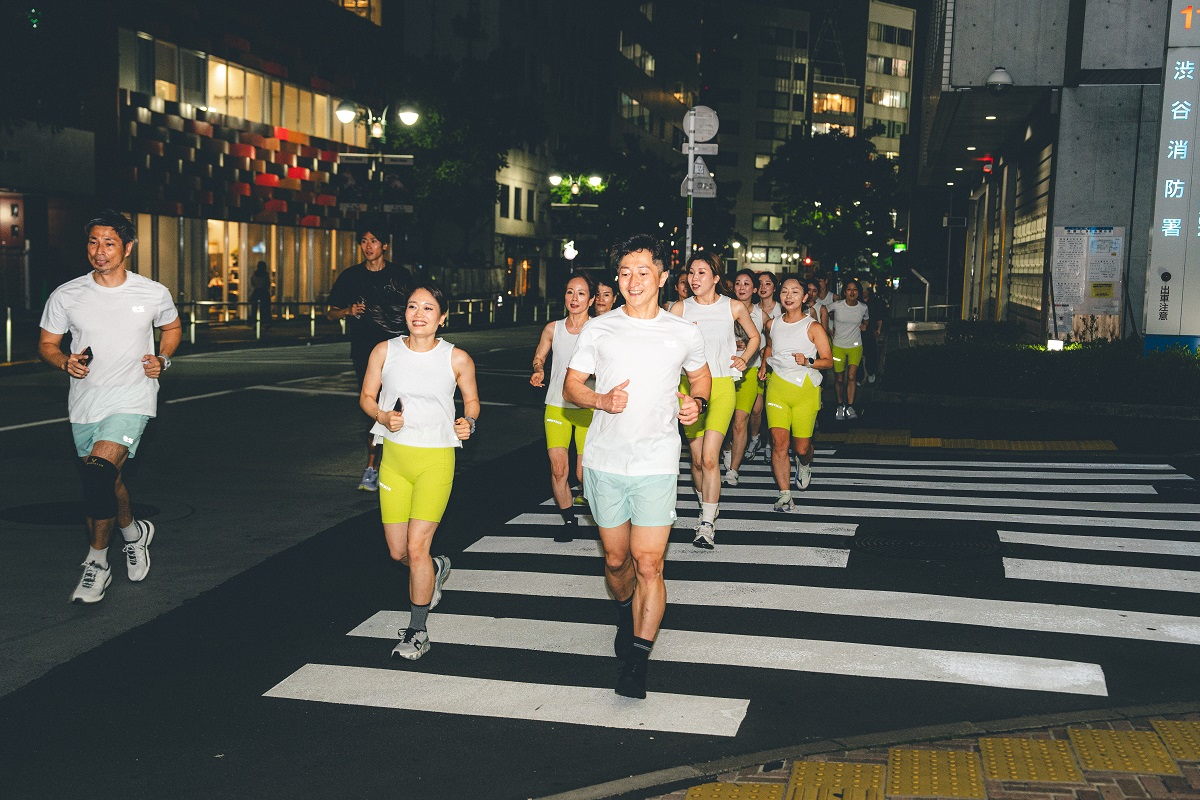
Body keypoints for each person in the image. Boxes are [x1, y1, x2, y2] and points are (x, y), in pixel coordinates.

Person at [563, 233, 710, 700]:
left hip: (657, 462)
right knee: (616, 560)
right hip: (605, 461)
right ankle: (625, 612)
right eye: (625, 272)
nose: (633, 280)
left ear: (662, 277)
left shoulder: (683, 332)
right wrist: (601, 400)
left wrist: (698, 404)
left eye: (643, 271)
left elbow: (701, 377)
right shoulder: (600, 328)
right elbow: (571, 386)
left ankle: (637, 663)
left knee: (649, 564)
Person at [38, 210, 182, 604]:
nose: (99, 251)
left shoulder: (152, 292)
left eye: (109, 243)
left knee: (99, 475)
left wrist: (163, 359)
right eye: (93, 242)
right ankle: (134, 532)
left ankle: (97, 564)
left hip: (133, 399)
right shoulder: (67, 295)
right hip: (86, 404)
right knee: (104, 481)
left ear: (128, 248)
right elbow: (48, 344)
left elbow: (171, 328)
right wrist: (64, 361)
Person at [359, 282, 479, 661]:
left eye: (429, 308)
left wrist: (469, 422)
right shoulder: (385, 351)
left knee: (416, 547)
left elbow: (472, 402)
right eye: (413, 306)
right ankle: (435, 568)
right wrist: (382, 416)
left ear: (442, 318)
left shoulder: (457, 358)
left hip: (436, 460)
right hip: (395, 461)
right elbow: (366, 397)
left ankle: (417, 630)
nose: (419, 314)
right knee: (398, 552)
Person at [669, 252, 758, 549]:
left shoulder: (732, 306)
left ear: (716, 278)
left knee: (710, 457)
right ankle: (707, 504)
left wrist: (744, 358)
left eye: (702, 272)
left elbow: (755, 337)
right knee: (696, 461)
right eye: (691, 272)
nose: (694, 278)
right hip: (689, 389)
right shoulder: (679, 308)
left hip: (721, 387)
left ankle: (707, 523)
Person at [327, 220, 412, 491]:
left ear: (384, 245)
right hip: (365, 352)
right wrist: (347, 311)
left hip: (398, 352)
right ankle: (372, 467)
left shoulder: (401, 276)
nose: (368, 246)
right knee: (373, 408)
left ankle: (397, 464)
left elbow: (417, 308)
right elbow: (330, 313)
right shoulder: (351, 276)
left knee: (400, 407)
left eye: (373, 241)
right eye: (364, 241)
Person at [530, 272, 596, 542]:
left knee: (582, 473)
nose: (574, 298)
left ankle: (603, 514)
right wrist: (538, 370)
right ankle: (569, 521)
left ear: (591, 300)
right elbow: (539, 357)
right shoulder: (553, 329)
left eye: (581, 293)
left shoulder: (598, 329)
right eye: (570, 292)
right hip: (556, 405)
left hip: (586, 407)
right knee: (559, 470)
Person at [759, 278, 832, 511]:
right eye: (785, 291)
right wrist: (764, 365)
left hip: (805, 390)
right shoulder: (772, 324)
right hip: (777, 388)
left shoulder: (813, 327)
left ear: (805, 297)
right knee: (779, 443)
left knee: (801, 448)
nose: (789, 296)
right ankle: (784, 494)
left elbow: (828, 361)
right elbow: (770, 347)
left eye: (795, 292)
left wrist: (809, 361)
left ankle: (805, 463)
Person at [723, 269, 767, 488]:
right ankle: (726, 447)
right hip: (725, 369)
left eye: (747, 284)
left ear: (755, 289)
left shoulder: (761, 315)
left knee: (741, 420)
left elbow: (769, 342)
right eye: (738, 283)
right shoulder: (725, 309)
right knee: (725, 418)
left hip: (749, 370)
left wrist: (761, 356)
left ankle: (733, 469)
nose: (741, 287)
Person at [828, 277, 870, 419]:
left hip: (855, 346)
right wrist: (828, 328)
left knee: (851, 376)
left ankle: (850, 407)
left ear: (859, 292)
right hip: (838, 346)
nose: (852, 292)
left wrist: (864, 325)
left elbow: (866, 319)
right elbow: (822, 311)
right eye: (849, 289)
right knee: (839, 379)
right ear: (844, 292)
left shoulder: (863, 307)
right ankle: (840, 406)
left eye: (855, 289)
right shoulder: (837, 305)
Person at [249, 260, 271, 328]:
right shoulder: (265, 275)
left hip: (256, 292)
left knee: (255, 309)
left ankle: (255, 322)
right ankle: (265, 322)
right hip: (264, 293)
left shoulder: (254, 274)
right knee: (265, 308)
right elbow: (267, 284)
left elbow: (252, 283)